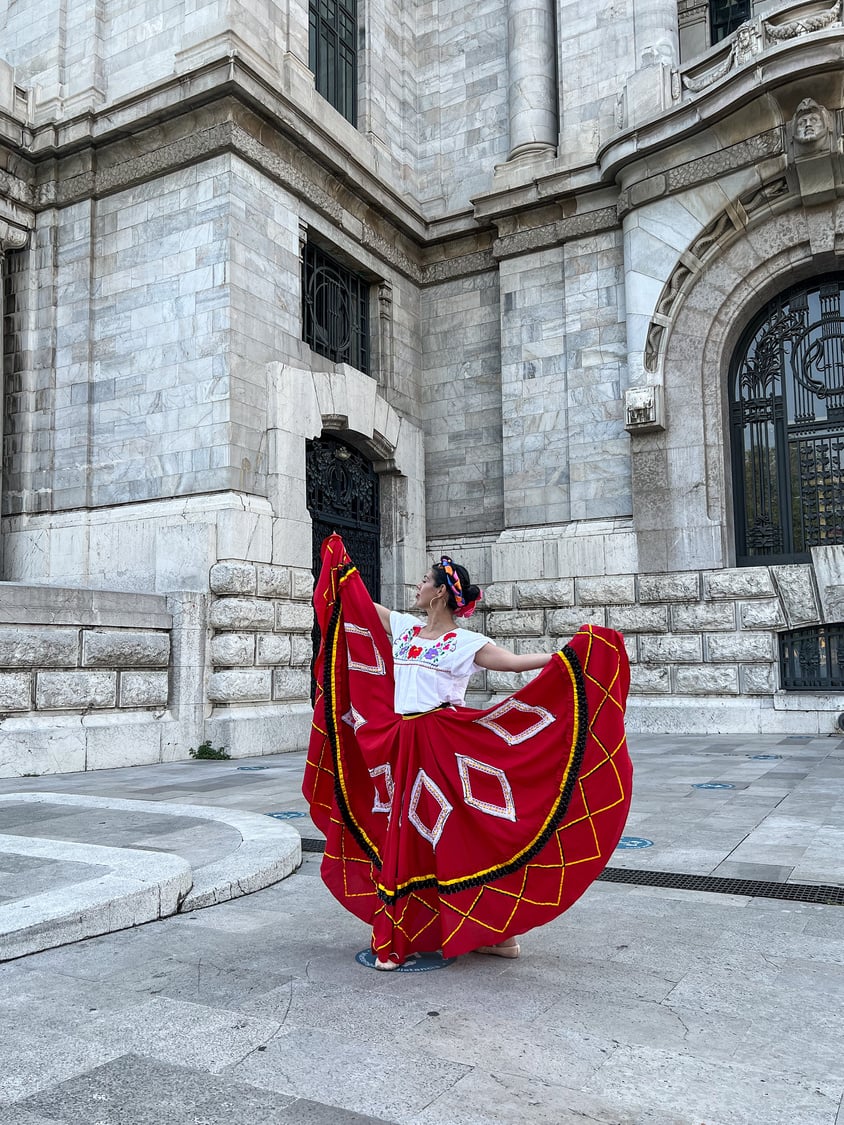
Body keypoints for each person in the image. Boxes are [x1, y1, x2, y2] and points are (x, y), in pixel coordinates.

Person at [304, 533, 632, 970]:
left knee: (457, 833)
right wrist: (341, 570)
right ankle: (486, 934)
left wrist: (566, 657)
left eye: (423, 580)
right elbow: (359, 607)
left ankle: (489, 932)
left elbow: (513, 662)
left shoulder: (465, 643)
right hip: (402, 744)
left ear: (440, 591)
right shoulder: (405, 628)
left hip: (442, 744)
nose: (416, 587)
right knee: (420, 834)